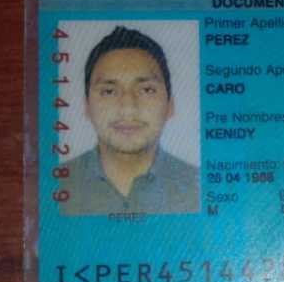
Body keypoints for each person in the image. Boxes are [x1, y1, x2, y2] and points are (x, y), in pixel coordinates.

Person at [59, 26, 198, 216]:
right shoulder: (56, 185)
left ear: (170, 105)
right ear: (86, 106)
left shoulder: (200, 188)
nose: (128, 108)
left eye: (146, 90)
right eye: (109, 91)